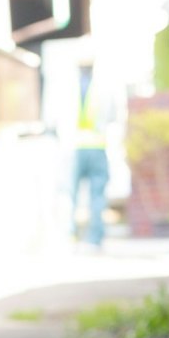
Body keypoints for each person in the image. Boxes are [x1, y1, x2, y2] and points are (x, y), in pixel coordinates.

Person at [70, 61, 111, 249]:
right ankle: (94, 238)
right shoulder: (101, 89)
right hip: (96, 147)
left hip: (76, 148)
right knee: (96, 195)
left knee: (73, 195)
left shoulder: (69, 87)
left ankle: (72, 236)